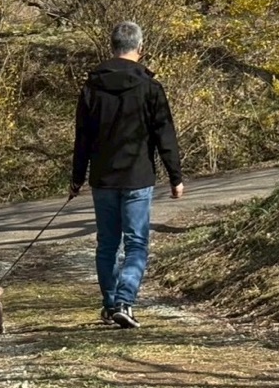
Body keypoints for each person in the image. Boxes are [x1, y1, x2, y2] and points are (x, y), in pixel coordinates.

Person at [69, 21, 184, 329]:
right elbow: (165, 134)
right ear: (140, 48)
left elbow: (82, 137)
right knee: (136, 244)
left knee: (107, 244)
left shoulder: (92, 87)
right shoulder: (150, 88)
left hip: (103, 179)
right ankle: (124, 301)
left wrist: (77, 177)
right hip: (137, 177)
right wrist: (175, 176)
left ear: (112, 48)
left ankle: (110, 304)